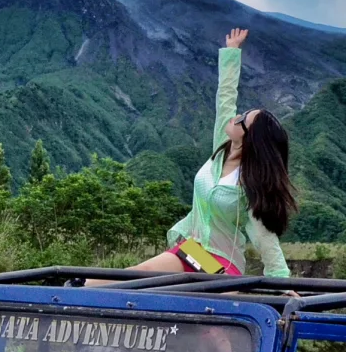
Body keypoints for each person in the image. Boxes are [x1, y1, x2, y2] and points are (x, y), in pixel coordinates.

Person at [125, 27, 296, 280]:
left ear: (250, 139)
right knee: (134, 278)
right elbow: (225, 97)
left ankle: (76, 291)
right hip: (192, 250)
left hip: (220, 264)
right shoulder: (221, 149)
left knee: (139, 277)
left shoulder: (250, 183)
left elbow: (265, 239)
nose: (236, 117)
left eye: (243, 120)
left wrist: (281, 281)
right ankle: (76, 288)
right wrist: (232, 53)